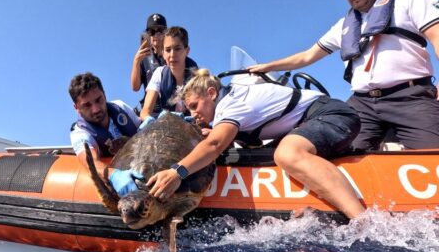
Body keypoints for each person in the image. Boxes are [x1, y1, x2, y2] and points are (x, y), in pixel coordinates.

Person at [145, 69, 366, 220]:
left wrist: (177, 172)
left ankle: (362, 221)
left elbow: (214, 145)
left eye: (195, 105)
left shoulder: (231, 104)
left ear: (211, 93)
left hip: (332, 115)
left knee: (287, 154)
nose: (193, 114)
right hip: (310, 122)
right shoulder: (232, 100)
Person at [249, 0, 439, 150]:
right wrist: (268, 66)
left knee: (431, 159)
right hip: (362, 103)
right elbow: (308, 56)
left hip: (410, 97)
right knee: (337, 153)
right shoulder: (344, 25)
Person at [69, 72, 144, 196]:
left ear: (104, 94)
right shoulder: (79, 133)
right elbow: (91, 163)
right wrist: (113, 175)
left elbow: (142, 129)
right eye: (87, 105)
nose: (96, 109)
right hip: (119, 186)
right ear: (76, 107)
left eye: (99, 100)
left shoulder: (121, 107)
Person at [130, 14, 198, 114]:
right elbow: (135, 87)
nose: (156, 35)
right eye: (151, 32)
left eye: (160, 31)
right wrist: (136, 61)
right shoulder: (145, 58)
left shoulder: (187, 63)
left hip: (180, 110)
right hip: (152, 109)